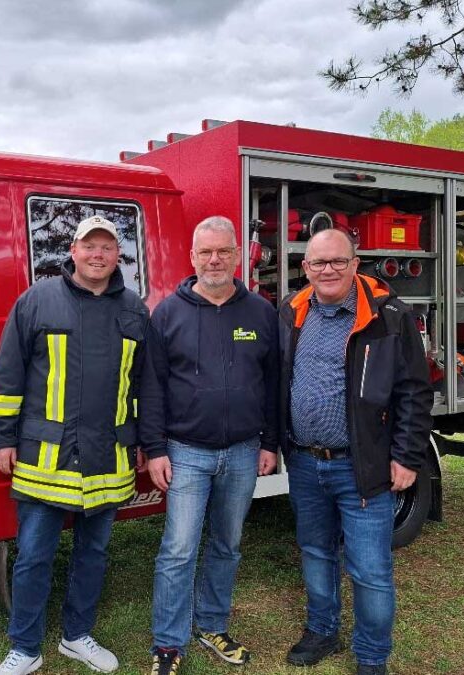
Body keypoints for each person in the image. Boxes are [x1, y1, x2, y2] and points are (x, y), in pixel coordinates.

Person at [0, 215, 149, 675]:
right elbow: (8, 374)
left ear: (118, 255)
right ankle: (25, 647)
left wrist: (145, 441)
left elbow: (146, 386)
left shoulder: (135, 309)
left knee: (93, 554)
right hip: (45, 457)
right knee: (34, 555)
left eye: (107, 247)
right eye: (89, 246)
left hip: (107, 456)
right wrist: (1, 437)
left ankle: (76, 636)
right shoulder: (36, 301)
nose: (97, 255)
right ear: (73, 251)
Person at [277, 229, 431, 675]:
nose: (327, 271)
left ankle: (371, 657)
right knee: (316, 551)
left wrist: (407, 457)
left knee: (370, 570)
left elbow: (414, 393)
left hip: (363, 465)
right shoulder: (291, 311)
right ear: (304, 268)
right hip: (305, 462)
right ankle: (322, 630)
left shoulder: (389, 316)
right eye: (317, 263)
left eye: (337, 262)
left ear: (355, 262)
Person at [139, 215, 280, 675]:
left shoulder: (261, 312)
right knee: (178, 548)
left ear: (238, 255)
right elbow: (152, 386)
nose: (214, 260)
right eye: (206, 252)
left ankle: (213, 625)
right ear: (192, 257)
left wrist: (270, 443)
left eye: (223, 251)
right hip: (186, 452)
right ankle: (168, 642)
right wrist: (155, 448)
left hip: (243, 451)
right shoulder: (168, 313)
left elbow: (274, 383)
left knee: (227, 543)